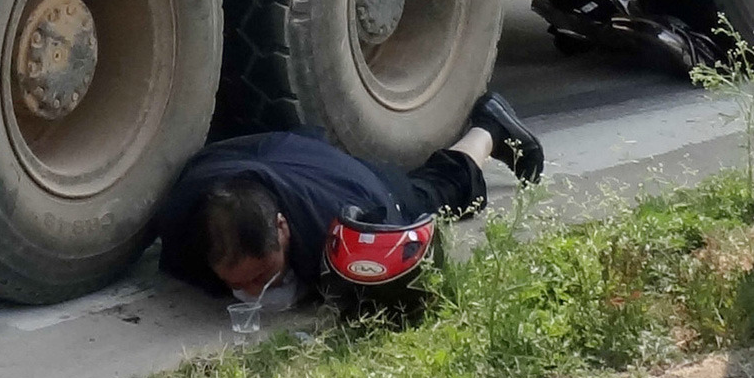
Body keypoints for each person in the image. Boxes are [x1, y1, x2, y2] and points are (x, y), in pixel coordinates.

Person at [156, 92, 543, 308]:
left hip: (366, 189)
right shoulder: (184, 217)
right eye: (240, 284)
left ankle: (490, 128)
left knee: (434, 195)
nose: (255, 291)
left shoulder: (342, 227)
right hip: (290, 154)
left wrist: (308, 293)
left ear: (282, 227)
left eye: (261, 276)